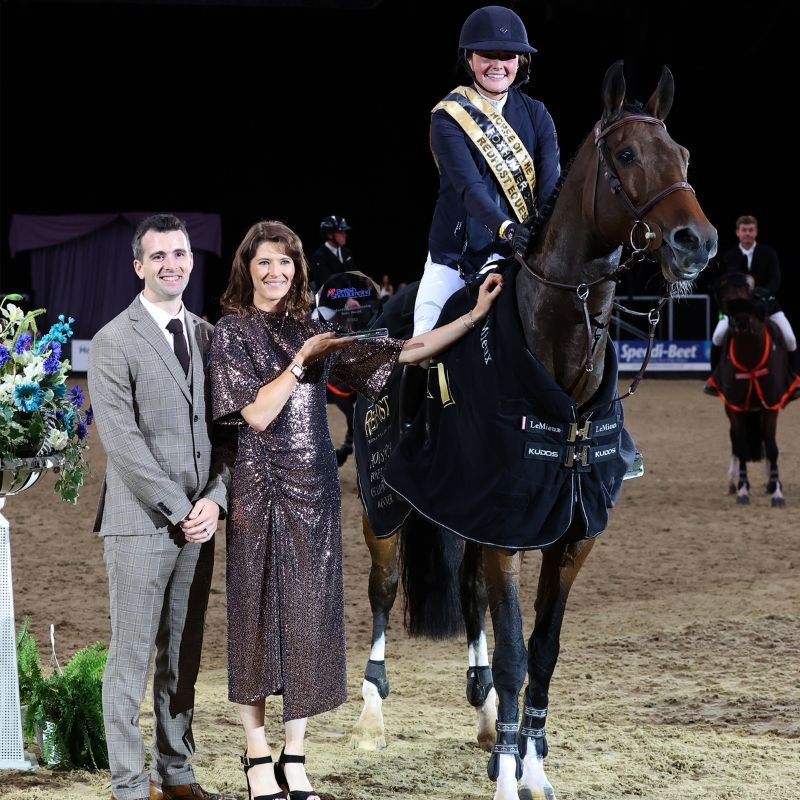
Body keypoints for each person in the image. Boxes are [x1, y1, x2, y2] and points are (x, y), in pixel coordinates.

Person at [209, 219, 503, 800]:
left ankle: (295, 757)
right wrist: (303, 359)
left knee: (309, 620)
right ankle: (256, 756)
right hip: (258, 486)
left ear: (299, 270)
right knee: (256, 618)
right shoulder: (231, 332)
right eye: (265, 262)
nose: (276, 272)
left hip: (315, 490)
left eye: (286, 263)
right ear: (246, 268)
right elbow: (259, 416)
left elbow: (403, 353)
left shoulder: (310, 329)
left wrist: (469, 319)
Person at [88, 214, 233, 800]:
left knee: (183, 653)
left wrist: (216, 502)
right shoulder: (113, 339)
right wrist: (181, 507)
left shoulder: (207, 335)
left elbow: (228, 435)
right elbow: (120, 441)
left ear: (191, 261)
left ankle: (176, 772)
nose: (171, 263)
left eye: (180, 253)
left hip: (200, 526)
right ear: (138, 266)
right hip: (141, 525)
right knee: (130, 659)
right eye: (158, 256)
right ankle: (128, 783)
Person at [413, 4, 561, 336]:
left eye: (507, 56)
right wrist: (507, 227)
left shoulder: (538, 114)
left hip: (520, 255)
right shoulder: (448, 116)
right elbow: (469, 188)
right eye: (487, 55)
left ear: (520, 62)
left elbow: (551, 187)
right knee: (422, 344)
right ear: (469, 59)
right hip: (456, 256)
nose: (497, 65)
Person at [713, 215, 796, 359]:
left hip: (766, 306)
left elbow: (775, 280)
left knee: (790, 340)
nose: (747, 233)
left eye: (750, 230)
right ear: (737, 232)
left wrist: (760, 293)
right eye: (744, 230)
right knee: (717, 337)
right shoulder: (728, 256)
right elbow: (723, 284)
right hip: (736, 309)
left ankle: (795, 378)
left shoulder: (769, 253)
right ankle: (713, 379)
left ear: (756, 232)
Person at [308, 214, 354, 295]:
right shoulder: (319, 256)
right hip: (328, 303)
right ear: (329, 234)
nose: (345, 235)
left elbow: (354, 279)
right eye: (341, 232)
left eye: (344, 231)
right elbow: (326, 286)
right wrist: (346, 300)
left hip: (351, 299)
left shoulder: (347, 253)